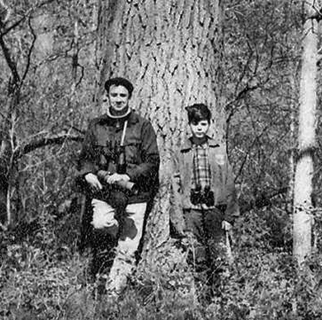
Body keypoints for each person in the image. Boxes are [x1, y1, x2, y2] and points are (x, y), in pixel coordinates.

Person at [76, 77, 160, 297]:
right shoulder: (96, 125)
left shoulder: (142, 125)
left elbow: (152, 161)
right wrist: (88, 174)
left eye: (123, 95)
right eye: (115, 95)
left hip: (135, 194)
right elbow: (85, 157)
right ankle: (102, 265)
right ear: (108, 97)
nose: (118, 99)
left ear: (129, 98)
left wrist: (127, 175)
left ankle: (112, 297)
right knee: (102, 224)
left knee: (128, 249)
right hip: (104, 193)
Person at [171, 103, 240, 301]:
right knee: (197, 255)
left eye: (203, 123)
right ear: (189, 125)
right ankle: (202, 300)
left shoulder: (218, 149)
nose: (199, 128)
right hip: (192, 211)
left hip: (215, 209)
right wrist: (179, 217)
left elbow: (229, 181)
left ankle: (222, 298)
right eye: (195, 123)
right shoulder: (182, 151)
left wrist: (229, 215)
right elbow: (175, 186)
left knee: (218, 255)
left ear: (209, 124)